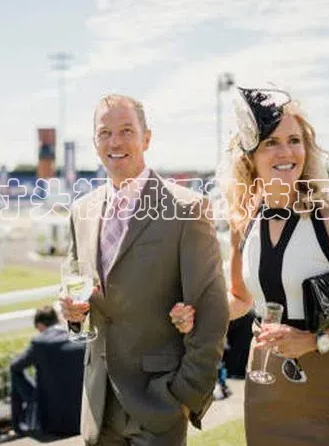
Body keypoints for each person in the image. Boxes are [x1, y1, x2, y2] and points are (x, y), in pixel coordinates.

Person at [177, 87, 329, 445]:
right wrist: (200, 314)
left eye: (294, 140)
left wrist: (313, 341)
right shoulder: (244, 219)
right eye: (271, 142)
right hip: (265, 375)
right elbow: (240, 299)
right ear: (250, 157)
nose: (286, 152)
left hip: (328, 378)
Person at [60, 94, 229, 445]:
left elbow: (212, 312)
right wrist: (73, 314)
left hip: (159, 404)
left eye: (126, 131)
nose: (115, 142)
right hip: (98, 403)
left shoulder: (187, 209)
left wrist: (186, 395)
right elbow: (74, 291)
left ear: (146, 138)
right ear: (95, 142)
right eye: (105, 133)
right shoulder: (81, 212)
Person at [10, 305, 86, 436]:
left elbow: (14, 366)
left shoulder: (40, 343)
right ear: (57, 320)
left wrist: (33, 393)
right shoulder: (79, 338)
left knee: (15, 372)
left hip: (51, 423)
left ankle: (19, 426)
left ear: (40, 325)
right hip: (82, 418)